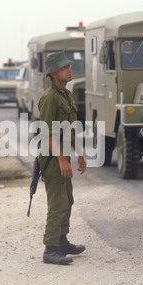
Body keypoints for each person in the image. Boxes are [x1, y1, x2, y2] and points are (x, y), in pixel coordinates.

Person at [38, 52, 87, 265]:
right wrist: (61, 159)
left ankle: (62, 241)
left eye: (69, 66)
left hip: (63, 154)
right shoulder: (50, 97)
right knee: (58, 204)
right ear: (52, 73)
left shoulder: (66, 95)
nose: (69, 70)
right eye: (63, 67)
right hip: (52, 158)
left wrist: (79, 154)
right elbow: (47, 132)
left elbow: (70, 130)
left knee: (67, 200)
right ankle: (50, 249)